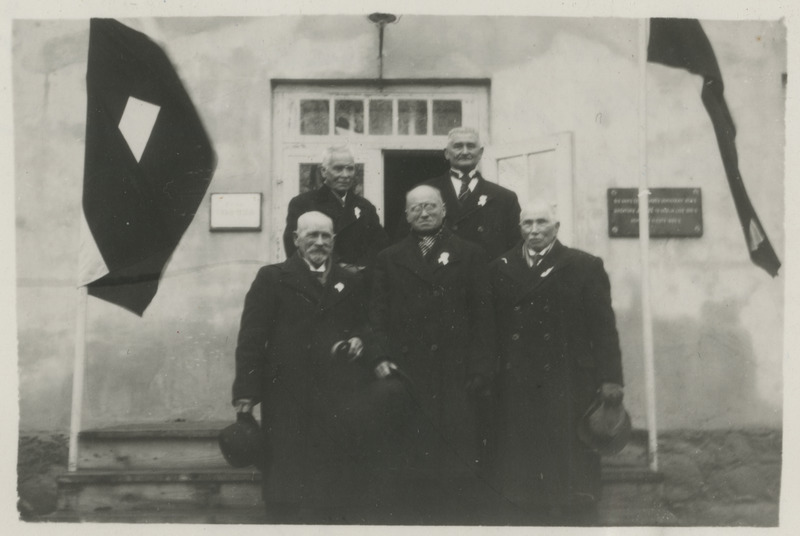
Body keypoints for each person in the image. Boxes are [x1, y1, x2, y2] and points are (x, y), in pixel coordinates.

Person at [232, 211, 401, 524]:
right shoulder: (272, 277)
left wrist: (360, 342)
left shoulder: (349, 279)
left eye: (326, 236)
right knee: (286, 475)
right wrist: (246, 391)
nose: (319, 242)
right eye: (312, 235)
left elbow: (363, 325)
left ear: (334, 240)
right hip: (287, 391)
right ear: (296, 239)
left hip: (338, 391)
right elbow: (252, 339)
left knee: (332, 478)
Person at [489, 201, 625, 526]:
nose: (534, 230)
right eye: (528, 224)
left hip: (569, 376)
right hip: (518, 375)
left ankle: (573, 515)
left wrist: (611, 379)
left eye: (542, 223)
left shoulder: (584, 265)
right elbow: (492, 327)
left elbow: (604, 328)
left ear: (557, 227)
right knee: (525, 449)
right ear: (519, 228)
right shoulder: (500, 267)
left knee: (570, 452)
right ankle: (531, 512)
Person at [370, 185, 498, 523]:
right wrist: (380, 357)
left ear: (444, 211)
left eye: (430, 207)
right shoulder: (388, 257)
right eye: (416, 209)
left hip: (456, 372)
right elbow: (377, 315)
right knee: (411, 455)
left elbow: (484, 316)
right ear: (407, 215)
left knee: (456, 455)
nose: (424, 213)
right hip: (407, 371)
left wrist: (481, 368)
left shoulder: (470, 253)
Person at [283, 145, 389, 275]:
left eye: (350, 169)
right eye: (338, 169)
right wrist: (338, 268)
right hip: (319, 279)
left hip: (358, 281)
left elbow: (380, 246)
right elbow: (293, 245)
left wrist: (359, 269)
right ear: (323, 171)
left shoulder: (365, 207)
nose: (345, 175)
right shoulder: (303, 203)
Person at [421, 127, 521, 260]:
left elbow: (517, 248)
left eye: (471, 146)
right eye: (458, 146)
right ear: (446, 153)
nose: (465, 151)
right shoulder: (424, 192)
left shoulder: (505, 198)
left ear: (480, 153)